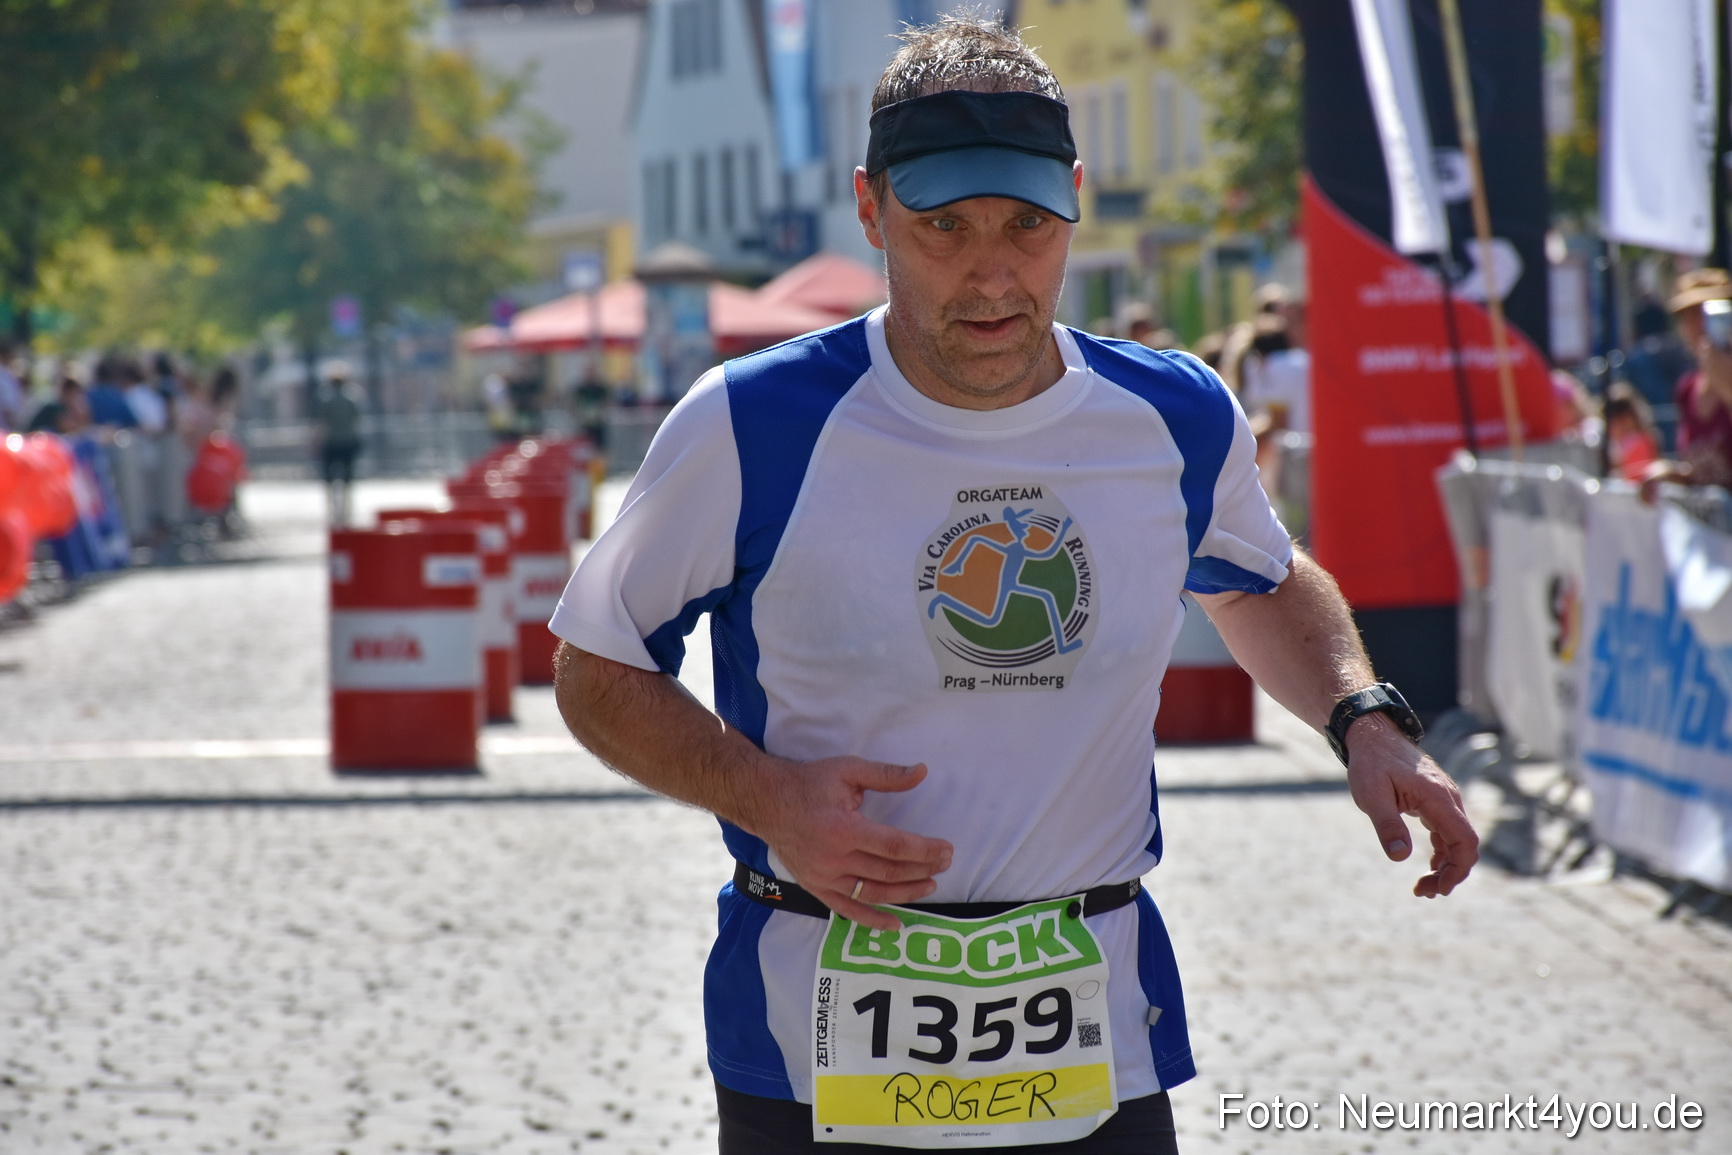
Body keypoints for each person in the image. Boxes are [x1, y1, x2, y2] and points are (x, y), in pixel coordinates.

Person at [548, 14, 1476, 1153]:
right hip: (814, 1037)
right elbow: (595, 662)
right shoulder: (751, 422)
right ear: (870, 208)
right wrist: (763, 794)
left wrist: (1364, 718)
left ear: (1075, 200)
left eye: (1028, 227)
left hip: (1088, 1031)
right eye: (943, 229)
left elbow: (1260, 581)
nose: (991, 274)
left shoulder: (1173, 413)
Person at [1641, 269, 1732, 495]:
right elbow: (1703, 471)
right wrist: (1671, 474)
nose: (1697, 323)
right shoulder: (1687, 389)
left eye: (1706, 311)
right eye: (1687, 314)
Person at [314, 364, 363, 525]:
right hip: (348, 441)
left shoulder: (325, 399)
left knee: (329, 479)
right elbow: (357, 420)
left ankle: (332, 511)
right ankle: (347, 510)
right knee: (348, 479)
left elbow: (320, 423)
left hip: (331, 442)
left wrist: (315, 442)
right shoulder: (352, 398)